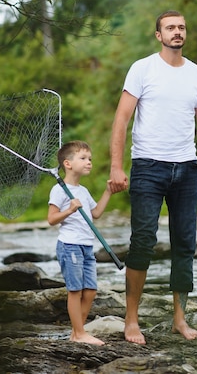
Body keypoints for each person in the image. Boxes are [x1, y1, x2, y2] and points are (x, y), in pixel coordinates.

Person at [109, 10, 197, 345]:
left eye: (182, 27)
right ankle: (131, 320)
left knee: (185, 244)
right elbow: (121, 120)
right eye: (170, 27)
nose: (177, 32)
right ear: (158, 34)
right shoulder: (142, 69)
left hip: (186, 169)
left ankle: (180, 318)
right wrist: (117, 167)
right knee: (143, 240)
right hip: (147, 166)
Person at [47, 140, 114, 346]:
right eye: (83, 158)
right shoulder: (59, 190)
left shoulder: (82, 191)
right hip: (70, 245)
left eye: (90, 159)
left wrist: (108, 192)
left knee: (91, 290)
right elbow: (51, 219)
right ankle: (79, 333)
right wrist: (69, 210)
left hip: (86, 246)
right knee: (75, 290)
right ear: (67, 164)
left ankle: (78, 332)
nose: (89, 162)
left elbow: (95, 214)